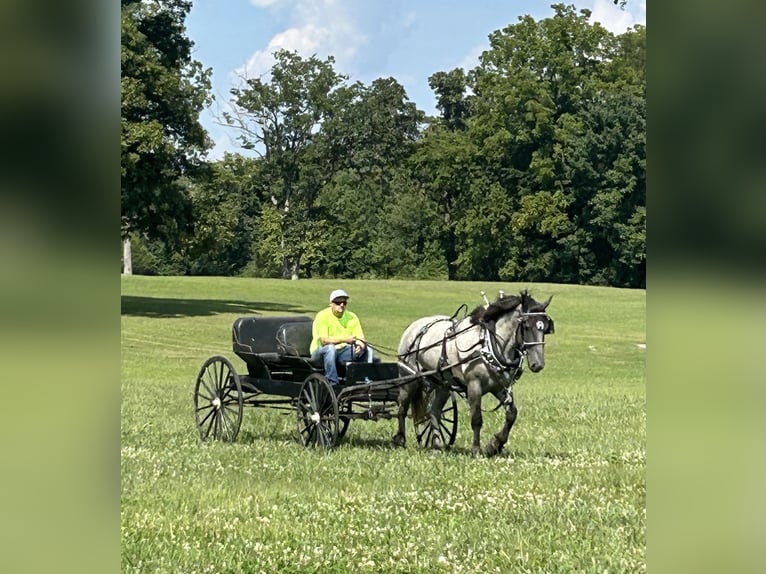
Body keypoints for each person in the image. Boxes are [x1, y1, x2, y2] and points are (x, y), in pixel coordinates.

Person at [310, 289, 373, 385]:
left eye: (344, 302)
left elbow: (360, 337)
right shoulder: (322, 316)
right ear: (331, 304)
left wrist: (361, 346)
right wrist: (345, 340)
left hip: (342, 352)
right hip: (320, 353)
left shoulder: (352, 317)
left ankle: (366, 380)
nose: (342, 305)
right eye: (338, 302)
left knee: (369, 349)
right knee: (330, 349)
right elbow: (324, 341)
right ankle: (333, 382)